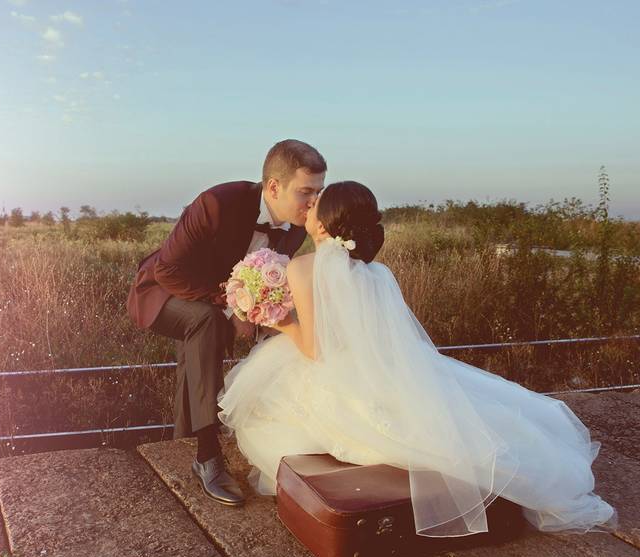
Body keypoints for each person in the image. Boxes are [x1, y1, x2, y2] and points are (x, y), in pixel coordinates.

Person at [217, 181, 619, 537]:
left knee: (267, 414)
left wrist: (280, 321)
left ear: (323, 226)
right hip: (385, 370)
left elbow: (315, 350)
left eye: (317, 202)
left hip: (335, 372)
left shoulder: (304, 268)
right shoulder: (378, 272)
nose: (310, 206)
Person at [126, 140, 327, 507]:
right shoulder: (217, 203)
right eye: (306, 192)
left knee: (270, 340)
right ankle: (207, 457)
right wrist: (232, 306)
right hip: (162, 291)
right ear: (273, 187)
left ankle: (211, 438)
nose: (314, 202)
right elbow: (168, 271)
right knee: (205, 323)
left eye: (319, 191)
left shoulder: (297, 224)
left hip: (221, 298)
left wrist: (263, 312)